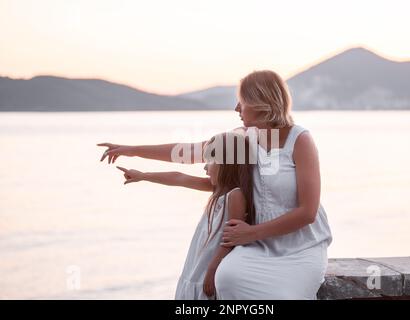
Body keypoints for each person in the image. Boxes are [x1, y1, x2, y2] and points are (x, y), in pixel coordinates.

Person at [98, 70, 332, 299]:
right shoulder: (242, 138)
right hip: (259, 246)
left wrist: (250, 233)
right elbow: (187, 152)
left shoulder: (299, 139)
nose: (236, 109)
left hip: (301, 246)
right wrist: (132, 151)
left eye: (241, 102)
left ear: (260, 102)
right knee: (227, 277)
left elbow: (307, 212)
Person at [112, 132, 255, 299]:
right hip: (195, 268)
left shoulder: (235, 195)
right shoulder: (217, 190)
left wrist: (212, 269)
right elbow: (178, 177)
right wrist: (143, 176)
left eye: (209, 160)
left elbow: (231, 238)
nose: (205, 167)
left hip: (208, 272)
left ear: (226, 163)